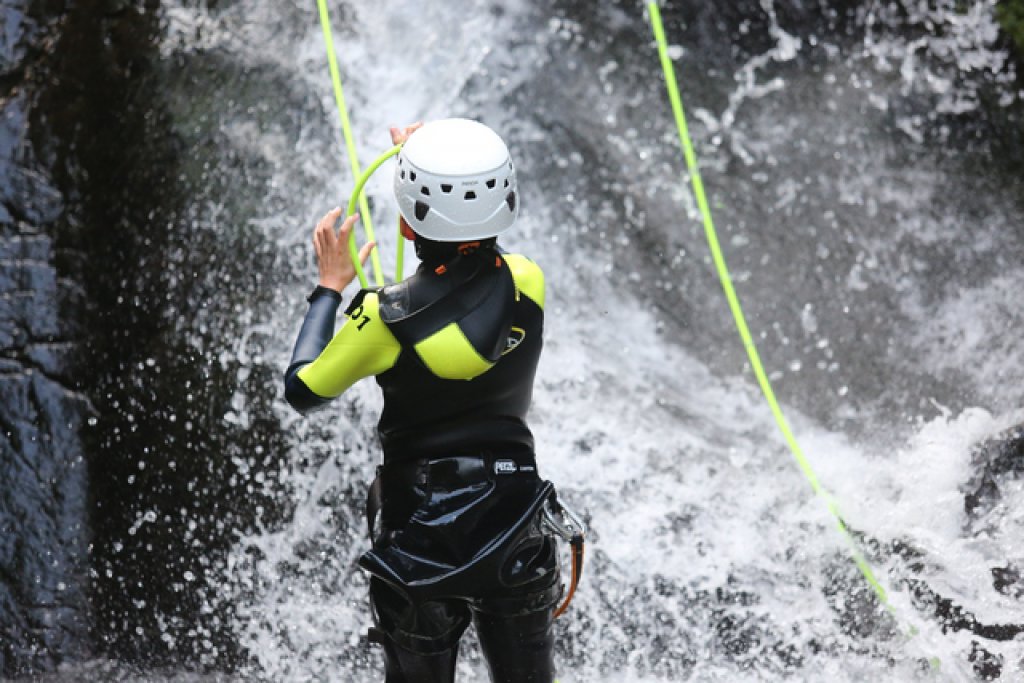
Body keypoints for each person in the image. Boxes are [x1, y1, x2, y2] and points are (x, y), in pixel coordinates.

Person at [284, 119, 562, 683]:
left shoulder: (381, 318)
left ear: (408, 226)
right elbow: (483, 266)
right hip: (515, 520)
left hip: (421, 539)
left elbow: (303, 389)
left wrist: (329, 286)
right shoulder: (528, 279)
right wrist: (440, 162)